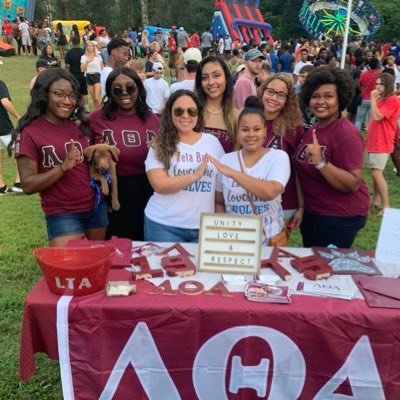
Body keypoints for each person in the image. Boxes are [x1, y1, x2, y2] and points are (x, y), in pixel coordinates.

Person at [12, 68, 108, 246]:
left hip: (97, 208)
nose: (68, 101)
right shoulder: (30, 133)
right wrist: (63, 167)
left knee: (96, 263)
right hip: (63, 213)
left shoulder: (81, 127)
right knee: (70, 270)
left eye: (72, 96)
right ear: (44, 94)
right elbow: (28, 185)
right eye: (59, 94)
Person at [293, 67, 370, 248]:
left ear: (340, 99)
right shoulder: (313, 129)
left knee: (326, 270)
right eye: (315, 96)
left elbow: (352, 183)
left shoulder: (346, 133)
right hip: (314, 213)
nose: (320, 101)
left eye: (328, 96)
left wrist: (322, 163)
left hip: (339, 217)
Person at [144, 90, 224, 242]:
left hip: (204, 226)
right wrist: (194, 176)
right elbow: (159, 185)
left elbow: (219, 190)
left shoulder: (212, 142)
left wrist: (220, 221)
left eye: (192, 111)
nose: (186, 116)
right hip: (164, 225)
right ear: (170, 113)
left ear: (198, 114)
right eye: (179, 111)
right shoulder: (160, 143)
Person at [89, 67, 159, 240]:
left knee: (146, 245)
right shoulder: (96, 118)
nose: (124, 93)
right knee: (120, 247)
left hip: (149, 190)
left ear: (139, 89)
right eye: (117, 89)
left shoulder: (153, 119)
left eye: (130, 88)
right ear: (110, 91)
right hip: (114, 192)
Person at [208, 100, 290, 245]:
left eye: (257, 129)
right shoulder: (226, 160)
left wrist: (233, 174)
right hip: (235, 242)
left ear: (265, 131)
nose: (251, 134)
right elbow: (219, 201)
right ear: (238, 132)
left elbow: (270, 191)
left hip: (269, 240)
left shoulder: (278, 157)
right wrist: (222, 230)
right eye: (245, 129)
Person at [258, 74, 305, 229]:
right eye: (270, 91)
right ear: (262, 91)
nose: (273, 98)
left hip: (284, 203)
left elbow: (298, 170)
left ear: (287, 100)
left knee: (274, 251)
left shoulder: (293, 128)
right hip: (249, 201)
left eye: (281, 95)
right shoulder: (248, 119)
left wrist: (301, 206)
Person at [366, 73, 400, 214]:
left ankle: (386, 206)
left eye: (381, 84)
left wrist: (373, 98)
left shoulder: (392, 100)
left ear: (388, 85)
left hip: (383, 141)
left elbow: (378, 116)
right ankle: (377, 200)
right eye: (377, 84)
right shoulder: (382, 99)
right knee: (376, 171)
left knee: (376, 173)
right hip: (374, 140)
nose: (378, 86)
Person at [195, 55, 239, 153]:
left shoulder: (236, 116)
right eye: (205, 78)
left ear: (226, 79)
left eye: (216, 76)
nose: (211, 82)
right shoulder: (192, 113)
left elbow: (236, 158)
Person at [0, 79, 21, 194]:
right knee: (18, 152)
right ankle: (19, 184)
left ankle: (1, 187)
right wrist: (18, 116)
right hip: (3, 127)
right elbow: (5, 102)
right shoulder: (0, 83)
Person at [65, 36, 89, 113]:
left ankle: (76, 108)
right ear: (80, 42)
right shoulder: (83, 52)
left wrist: (66, 74)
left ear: (72, 42)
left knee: (75, 92)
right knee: (84, 92)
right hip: (83, 74)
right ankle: (86, 107)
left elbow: (67, 66)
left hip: (73, 75)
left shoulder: (69, 52)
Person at [81, 40, 103, 108]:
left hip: (97, 76)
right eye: (89, 46)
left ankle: (103, 111)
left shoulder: (98, 57)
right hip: (88, 76)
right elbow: (82, 70)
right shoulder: (83, 57)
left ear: (94, 47)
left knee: (97, 97)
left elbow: (102, 68)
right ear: (87, 47)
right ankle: (97, 114)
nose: (90, 47)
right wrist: (87, 62)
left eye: (92, 46)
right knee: (94, 99)